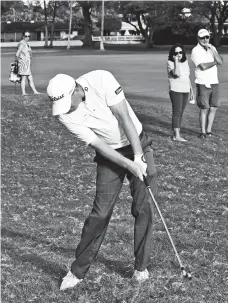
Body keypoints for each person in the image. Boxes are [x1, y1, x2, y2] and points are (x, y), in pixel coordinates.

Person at [46, 70, 157, 291]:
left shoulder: (101, 79)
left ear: (76, 89)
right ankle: (77, 271)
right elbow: (100, 146)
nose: (66, 109)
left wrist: (138, 157)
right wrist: (129, 165)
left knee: (143, 206)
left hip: (137, 141)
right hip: (110, 155)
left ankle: (141, 267)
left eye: (68, 103)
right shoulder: (65, 115)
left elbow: (125, 118)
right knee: (100, 213)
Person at [191, 29, 223, 138]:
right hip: (203, 82)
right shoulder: (195, 50)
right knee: (204, 108)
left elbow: (221, 61)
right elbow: (203, 67)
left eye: (207, 37)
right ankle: (203, 132)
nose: (205, 39)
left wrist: (213, 51)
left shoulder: (212, 48)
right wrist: (215, 62)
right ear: (198, 38)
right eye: (202, 37)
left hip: (214, 82)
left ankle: (209, 131)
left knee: (214, 107)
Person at [167, 43, 194, 142]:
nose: (179, 54)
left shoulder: (185, 62)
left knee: (181, 113)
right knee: (177, 112)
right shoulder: (170, 63)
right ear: (173, 54)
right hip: (176, 90)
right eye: (176, 52)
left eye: (180, 52)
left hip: (185, 89)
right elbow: (177, 74)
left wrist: (191, 90)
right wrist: (176, 61)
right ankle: (176, 136)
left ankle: (177, 133)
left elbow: (187, 77)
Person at [15, 31, 39, 95]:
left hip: (27, 63)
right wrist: (19, 62)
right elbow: (17, 54)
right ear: (23, 36)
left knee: (30, 78)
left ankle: (35, 91)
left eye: (29, 36)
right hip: (24, 63)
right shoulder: (22, 43)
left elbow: (28, 52)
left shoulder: (26, 43)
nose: (27, 37)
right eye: (26, 36)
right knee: (24, 78)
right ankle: (23, 92)